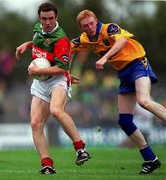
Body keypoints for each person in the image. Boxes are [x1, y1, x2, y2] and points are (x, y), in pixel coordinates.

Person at [15, 9, 165, 174]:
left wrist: (104, 58)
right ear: (81, 27)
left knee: (144, 101)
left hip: (137, 64)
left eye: (92, 23)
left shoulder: (109, 28)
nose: (90, 27)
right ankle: (150, 159)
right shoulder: (84, 39)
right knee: (125, 122)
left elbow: (121, 41)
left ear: (96, 21)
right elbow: (63, 47)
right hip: (124, 73)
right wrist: (32, 46)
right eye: (85, 26)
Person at [15, 3, 91, 175]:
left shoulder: (61, 39)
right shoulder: (38, 28)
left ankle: (80, 149)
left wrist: (37, 70)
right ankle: (47, 165)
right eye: (44, 19)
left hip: (57, 80)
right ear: (39, 18)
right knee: (35, 123)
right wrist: (27, 45)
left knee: (56, 110)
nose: (47, 22)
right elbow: (38, 40)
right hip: (41, 82)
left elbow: (63, 68)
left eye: (51, 18)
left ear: (56, 18)